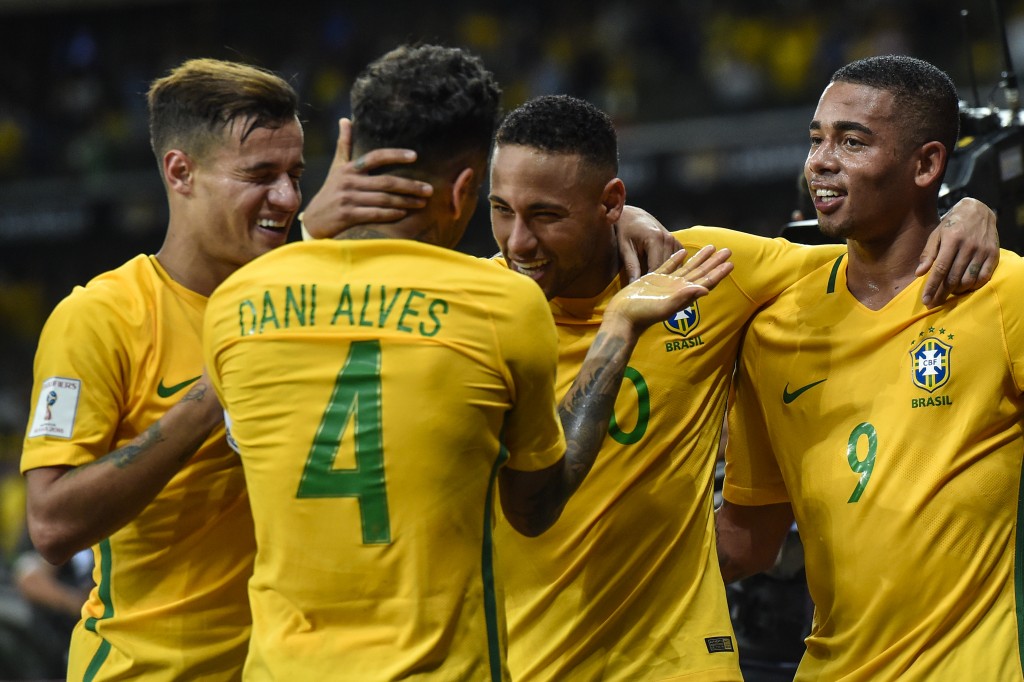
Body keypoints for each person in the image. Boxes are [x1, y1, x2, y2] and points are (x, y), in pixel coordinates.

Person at [304, 91, 999, 681]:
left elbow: (873, 255)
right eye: (502, 209)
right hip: (522, 661)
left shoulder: (703, 275)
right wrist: (311, 232)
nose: (517, 243)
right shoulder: (470, 310)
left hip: (679, 662)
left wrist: (966, 211)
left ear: (611, 202)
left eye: (547, 215)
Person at [203, 44, 734, 682]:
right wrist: (616, 325)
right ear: (464, 190)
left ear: (346, 149)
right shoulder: (500, 304)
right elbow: (534, 508)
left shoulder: (234, 302)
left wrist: (312, 236)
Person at [718, 54, 1024, 680]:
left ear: (927, 165)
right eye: (817, 139)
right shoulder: (776, 326)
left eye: (852, 142)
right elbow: (747, 544)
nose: (821, 161)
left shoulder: (1003, 294)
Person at [18, 58, 309, 681]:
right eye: (260, 175)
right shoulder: (100, 317)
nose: (287, 198)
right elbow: (51, 524)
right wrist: (214, 392)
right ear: (181, 172)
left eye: (295, 174)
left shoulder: (308, 305)